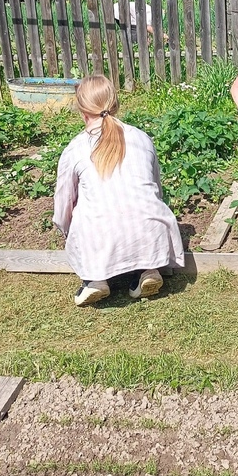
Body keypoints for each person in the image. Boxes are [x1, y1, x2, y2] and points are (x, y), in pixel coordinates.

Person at [53, 75, 185, 306]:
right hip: (151, 228)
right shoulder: (141, 138)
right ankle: (148, 270)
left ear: (82, 109)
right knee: (139, 215)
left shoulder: (75, 148)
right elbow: (155, 188)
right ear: (115, 104)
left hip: (100, 234)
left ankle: (95, 280)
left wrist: (65, 229)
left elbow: (64, 201)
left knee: (90, 215)